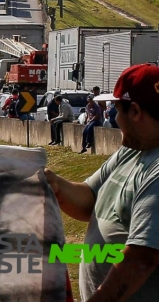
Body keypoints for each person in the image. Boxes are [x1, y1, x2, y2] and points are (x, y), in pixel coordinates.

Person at [44, 64, 159, 301]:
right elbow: (90, 198)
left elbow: (142, 257)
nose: (115, 117)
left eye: (117, 109)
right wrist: (54, 183)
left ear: (135, 111)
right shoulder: (133, 150)